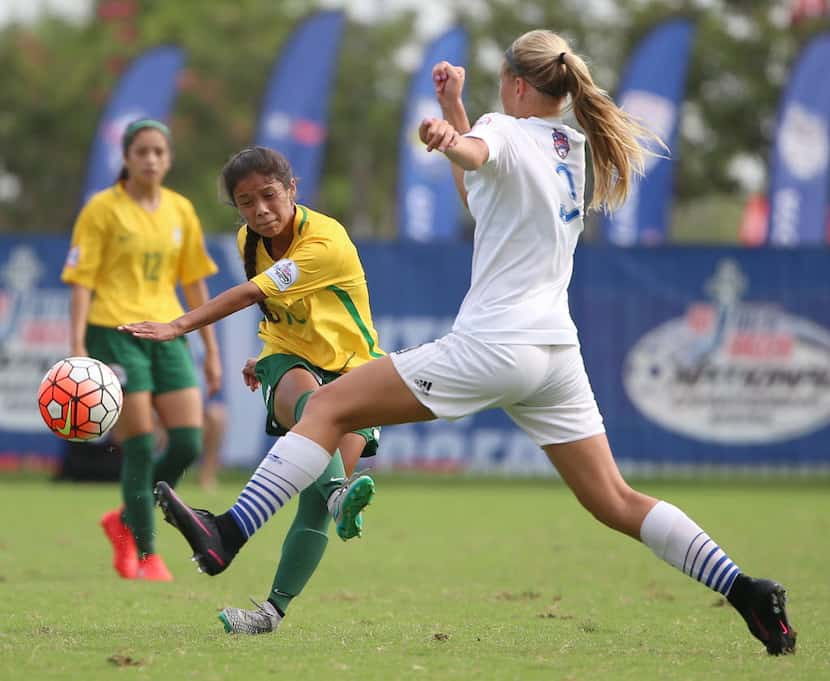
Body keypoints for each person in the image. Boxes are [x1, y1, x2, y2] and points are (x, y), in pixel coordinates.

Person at [121, 31, 797, 656]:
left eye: (503, 83)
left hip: (495, 344)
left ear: (518, 86)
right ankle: (747, 590)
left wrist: (451, 134)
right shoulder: (573, 149)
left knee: (325, 409)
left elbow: (478, 152)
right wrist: (455, 109)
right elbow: (484, 190)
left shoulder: (504, 128)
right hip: (555, 355)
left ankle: (228, 532)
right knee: (615, 499)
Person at [125, 146, 379, 634]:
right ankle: (335, 496)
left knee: (314, 508)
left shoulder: (325, 239)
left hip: (355, 370)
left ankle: (270, 614)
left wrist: (180, 324)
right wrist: (260, 357)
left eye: (269, 195)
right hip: (291, 365)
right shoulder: (250, 239)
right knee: (317, 412)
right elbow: (272, 305)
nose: (260, 210)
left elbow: (252, 294)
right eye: (246, 202)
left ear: (292, 190)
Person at [62, 118, 222, 582]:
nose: (151, 159)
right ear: (127, 158)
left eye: (159, 152)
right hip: (113, 331)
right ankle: (147, 554)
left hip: (168, 332)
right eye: (142, 151)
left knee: (188, 442)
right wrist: (76, 348)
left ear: (169, 159)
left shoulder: (180, 210)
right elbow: (81, 281)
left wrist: (210, 349)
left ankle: (124, 518)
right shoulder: (102, 209)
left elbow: (194, 282)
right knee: (139, 445)